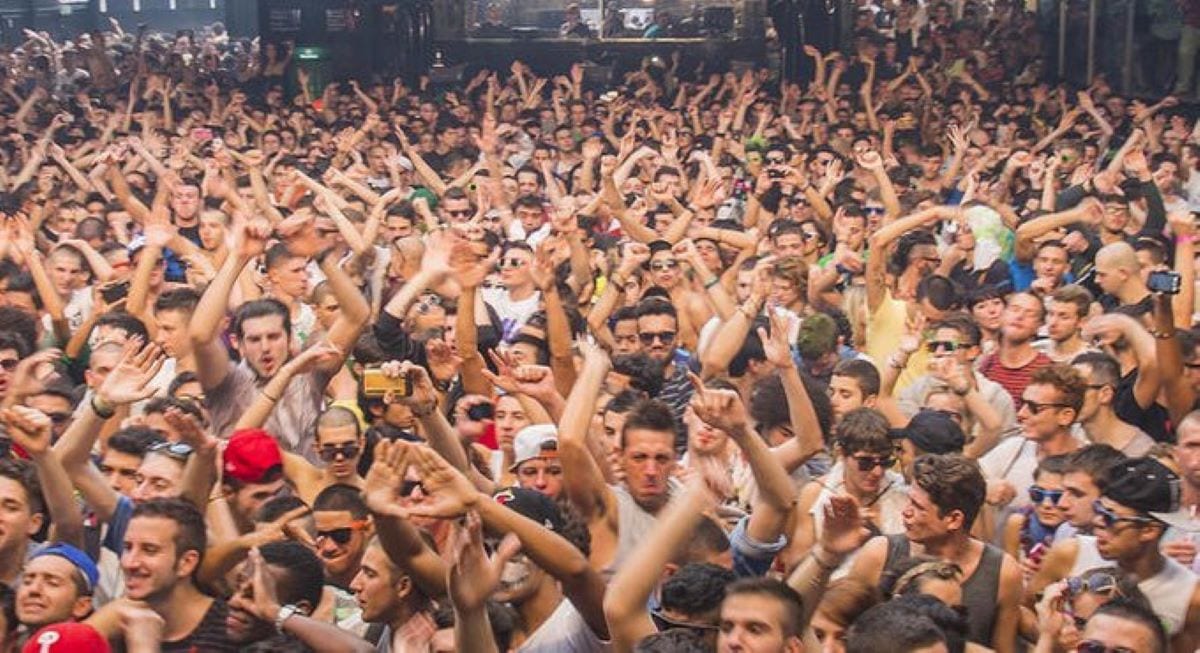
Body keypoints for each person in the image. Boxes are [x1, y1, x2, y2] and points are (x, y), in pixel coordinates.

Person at [850, 454, 1022, 652]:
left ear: (954, 519)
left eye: (918, 507)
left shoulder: (1002, 572)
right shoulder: (879, 554)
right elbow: (845, 630)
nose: (906, 512)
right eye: (909, 501)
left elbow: (1004, 648)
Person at [1029, 457, 1200, 649]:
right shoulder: (1070, 553)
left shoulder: (1190, 596)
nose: (1097, 521)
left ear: (1149, 530)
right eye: (1098, 509)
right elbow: (1024, 610)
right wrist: (1051, 638)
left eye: (1110, 517)